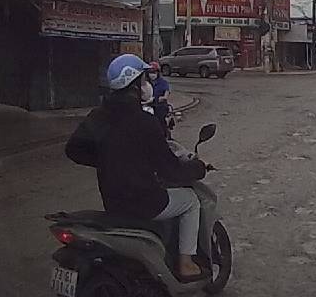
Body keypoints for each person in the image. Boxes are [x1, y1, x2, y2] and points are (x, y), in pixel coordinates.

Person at [65, 54, 212, 282]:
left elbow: (74, 150)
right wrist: (198, 168)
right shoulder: (145, 122)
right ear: (134, 85)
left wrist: (108, 159)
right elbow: (170, 171)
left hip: (113, 202)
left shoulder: (98, 116)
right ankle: (186, 264)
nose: (146, 84)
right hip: (145, 203)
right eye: (143, 79)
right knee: (191, 201)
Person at [145, 61, 171, 133]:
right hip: (148, 105)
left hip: (160, 106)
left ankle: (163, 133)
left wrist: (157, 99)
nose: (152, 74)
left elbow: (165, 96)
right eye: (150, 72)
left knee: (160, 120)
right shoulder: (146, 83)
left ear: (158, 73)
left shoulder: (163, 83)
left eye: (154, 72)